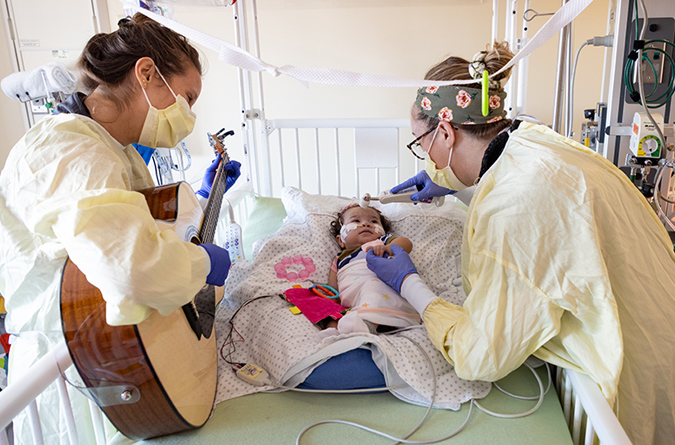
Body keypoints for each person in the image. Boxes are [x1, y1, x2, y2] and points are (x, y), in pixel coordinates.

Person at [366, 41, 675, 444]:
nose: (424, 156)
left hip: (634, 381)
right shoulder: (537, 142)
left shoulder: (514, 208)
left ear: (445, 131)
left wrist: (409, 283)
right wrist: (453, 187)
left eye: (420, 143)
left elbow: (479, 354)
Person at [0, 14, 241, 445]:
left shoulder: (114, 151)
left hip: (113, 357)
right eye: (187, 97)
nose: (190, 114)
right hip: (76, 366)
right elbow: (135, 269)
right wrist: (203, 261)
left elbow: (132, 229)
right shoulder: (67, 146)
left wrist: (202, 202)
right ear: (146, 73)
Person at [321, 203, 420, 336]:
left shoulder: (381, 242)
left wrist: (389, 248)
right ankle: (334, 333)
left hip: (382, 294)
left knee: (373, 286)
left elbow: (406, 243)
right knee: (331, 313)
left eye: (373, 221)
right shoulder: (339, 259)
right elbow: (332, 289)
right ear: (341, 240)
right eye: (356, 221)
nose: (366, 224)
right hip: (354, 302)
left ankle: (368, 325)